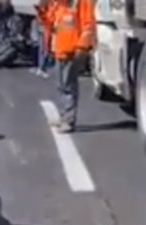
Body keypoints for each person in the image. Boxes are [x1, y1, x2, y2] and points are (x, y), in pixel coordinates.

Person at [37, 0, 96, 133]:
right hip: (60, 51)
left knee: (69, 85)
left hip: (73, 51)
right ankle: (64, 116)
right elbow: (50, 24)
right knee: (61, 84)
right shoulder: (58, 4)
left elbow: (88, 25)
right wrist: (42, 11)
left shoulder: (81, 3)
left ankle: (69, 120)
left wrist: (82, 47)